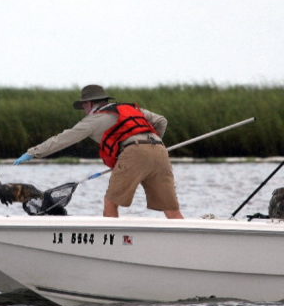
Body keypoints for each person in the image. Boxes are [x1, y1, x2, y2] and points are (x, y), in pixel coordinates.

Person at [14, 85, 184, 219]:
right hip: (160, 151)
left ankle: (112, 246)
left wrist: (32, 152)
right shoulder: (131, 109)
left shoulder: (93, 120)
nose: (84, 110)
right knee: (171, 209)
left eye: (83, 106)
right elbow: (161, 121)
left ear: (89, 104)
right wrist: (152, 146)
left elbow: (63, 139)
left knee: (111, 201)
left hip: (134, 153)